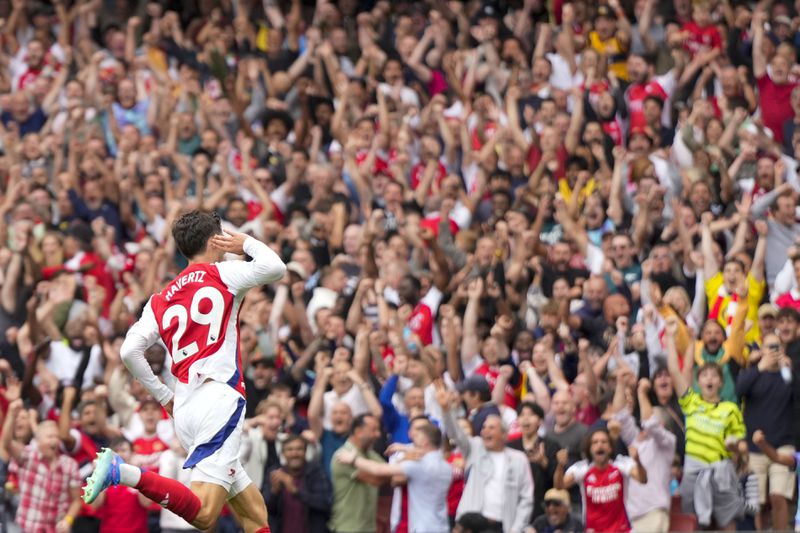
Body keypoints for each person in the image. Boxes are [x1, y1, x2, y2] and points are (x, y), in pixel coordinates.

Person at [82, 211, 287, 533]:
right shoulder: (224, 274)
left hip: (185, 409)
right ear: (214, 239)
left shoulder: (161, 298)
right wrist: (246, 241)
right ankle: (124, 472)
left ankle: (126, 472)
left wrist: (164, 396)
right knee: (205, 515)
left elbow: (128, 352)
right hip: (218, 398)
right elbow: (276, 267)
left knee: (255, 516)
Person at [666, 317, 746, 530]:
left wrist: (734, 447)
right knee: (692, 525)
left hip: (721, 472)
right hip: (693, 472)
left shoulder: (731, 409)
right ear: (698, 382)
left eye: (714, 375)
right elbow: (675, 369)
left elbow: (739, 445)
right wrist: (673, 337)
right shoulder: (691, 402)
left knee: (726, 525)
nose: (709, 378)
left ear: (720, 382)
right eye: (704, 375)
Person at [439, 382, 533, 533]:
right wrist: (446, 410)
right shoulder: (475, 447)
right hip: (471, 523)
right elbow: (455, 433)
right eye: (483, 427)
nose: (485, 431)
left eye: (491, 428)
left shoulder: (518, 459)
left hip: (503, 525)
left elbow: (526, 498)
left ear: (504, 435)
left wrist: (516, 528)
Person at [337, 419, 452, 533]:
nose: (413, 444)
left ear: (425, 443)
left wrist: (354, 459)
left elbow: (378, 470)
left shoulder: (419, 465)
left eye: (416, 441)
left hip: (423, 528)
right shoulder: (446, 466)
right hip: (441, 526)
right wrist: (405, 448)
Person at [555, 428, 647, 533]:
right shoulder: (582, 469)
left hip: (622, 530)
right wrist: (560, 466)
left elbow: (642, 479)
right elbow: (559, 486)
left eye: (604, 442)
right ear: (589, 448)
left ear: (610, 448)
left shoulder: (621, 464)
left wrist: (638, 461)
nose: (600, 445)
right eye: (595, 442)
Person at [262, 435, 332, 533]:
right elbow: (265, 511)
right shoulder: (275, 474)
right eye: (289, 450)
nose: (294, 453)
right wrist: (274, 492)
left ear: (305, 451)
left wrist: (295, 491)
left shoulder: (316, 472)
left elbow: (324, 504)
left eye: (299, 449)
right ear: (283, 453)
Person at [329, 413, 384, 533]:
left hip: (368, 527)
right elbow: (376, 480)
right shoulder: (342, 455)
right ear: (358, 431)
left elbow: (389, 473)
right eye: (374, 430)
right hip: (348, 527)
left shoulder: (370, 454)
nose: (378, 434)